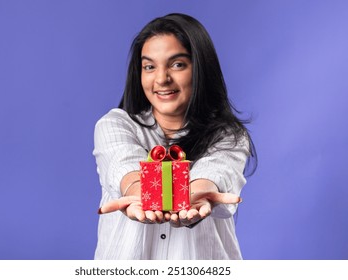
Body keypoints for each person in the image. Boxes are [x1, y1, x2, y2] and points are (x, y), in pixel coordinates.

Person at [93, 13, 256, 259]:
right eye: (149, 66)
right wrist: (137, 192)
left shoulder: (229, 135)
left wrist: (198, 194)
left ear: (200, 68)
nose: (161, 79)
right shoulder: (115, 124)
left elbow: (215, 171)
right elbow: (122, 164)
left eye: (177, 64)